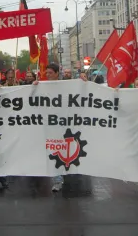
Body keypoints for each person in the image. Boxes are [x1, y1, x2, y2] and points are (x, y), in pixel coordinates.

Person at [34, 63, 88, 192]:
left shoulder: (66, 85)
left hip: (66, 124)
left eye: (50, 73)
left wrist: (83, 81)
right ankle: (57, 179)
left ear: (57, 73)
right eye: (46, 73)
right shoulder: (41, 86)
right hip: (50, 125)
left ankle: (70, 172)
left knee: (67, 150)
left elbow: (81, 94)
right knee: (54, 150)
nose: (47, 75)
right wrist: (33, 88)